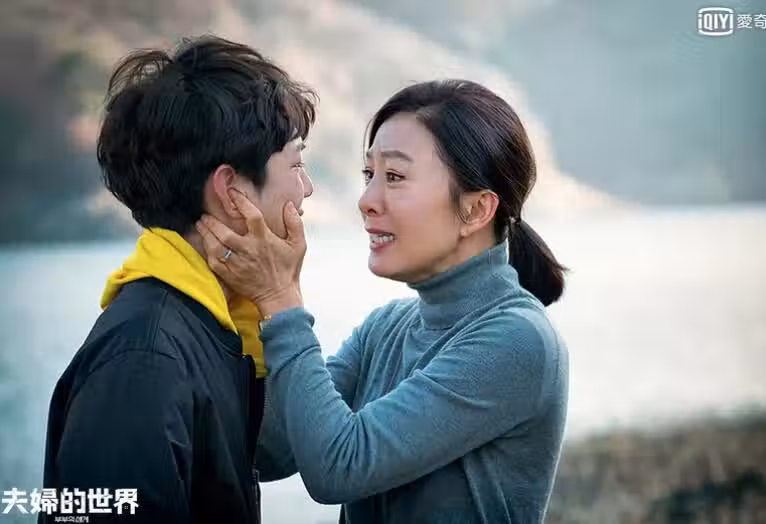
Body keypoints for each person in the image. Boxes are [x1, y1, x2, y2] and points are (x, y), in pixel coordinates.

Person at [197, 79, 570, 523]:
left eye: (394, 177)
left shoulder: (518, 340)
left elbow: (338, 467)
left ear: (475, 210)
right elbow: (271, 449)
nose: (366, 201)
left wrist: (279, 299)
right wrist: (243, 298)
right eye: (368, 175)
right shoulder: (386, 328)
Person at [40, 35, 316, 523]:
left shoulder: (217, 325)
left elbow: (281, 448)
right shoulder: (145, 357)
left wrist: (279, 300)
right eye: (296, 163)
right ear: (230, 190)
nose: (307, 188)